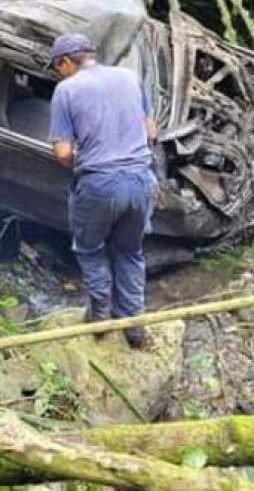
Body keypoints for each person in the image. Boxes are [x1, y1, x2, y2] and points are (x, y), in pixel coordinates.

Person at [48, 33, 158, 349]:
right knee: (130, 252)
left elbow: (63, 153)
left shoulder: (66, 90)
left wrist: (88, 161)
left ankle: (100, 317)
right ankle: (135, 328)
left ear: (66, 62)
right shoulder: (129, 77)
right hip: (140, 180)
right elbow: (151, 131)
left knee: (90, 248)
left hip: (99, 184)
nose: (58, 73)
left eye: (58, 67)